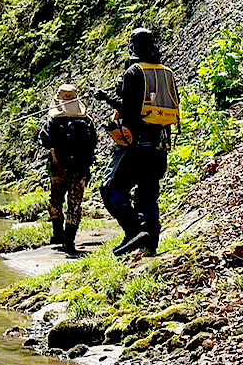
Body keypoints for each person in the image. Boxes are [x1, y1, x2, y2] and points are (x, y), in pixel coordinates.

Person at [93, 27, 179, 257]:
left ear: (133, 47)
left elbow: (128, 108)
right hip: (160, 144)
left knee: (112, 189)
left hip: (135, 144)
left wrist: (106, 97)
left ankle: (134, 231)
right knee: (148, 193)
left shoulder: (134, 71)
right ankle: (150, 241)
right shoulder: (166, 73)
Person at [36, 83, 97, 255]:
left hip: (58, 167)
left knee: (56, 201)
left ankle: (57, 236)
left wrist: (56, 159)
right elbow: (93, 144)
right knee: (75, 204)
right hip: (80, 169)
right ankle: (69, 243)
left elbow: (45, 142)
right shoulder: (87, 121)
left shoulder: (53, 120)